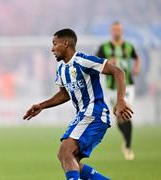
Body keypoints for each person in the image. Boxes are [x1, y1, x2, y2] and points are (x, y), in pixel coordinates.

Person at [23, 28, 133, 180]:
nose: (52, 48)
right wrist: (41, 106)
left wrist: (120, 100)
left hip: (94, 113)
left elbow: (118, 72)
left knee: (64, 153)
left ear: (66, 43)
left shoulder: (84, 60)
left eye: (55, 44)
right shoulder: (61, 68)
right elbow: (64, 94)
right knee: (71, 162)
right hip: (83, 115)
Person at [96, 21, 140, 160]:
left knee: (124, 111)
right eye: (114, 29)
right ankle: (126, 143)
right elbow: (96, 64)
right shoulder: (104, 48)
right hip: (111, 88)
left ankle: (128, 146)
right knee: (119, 118)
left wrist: (136, 67)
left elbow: (136, 57)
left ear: (122, 31)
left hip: (128, 86)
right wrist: (108, 63)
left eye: (119, 29)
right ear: (111, 31)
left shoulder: (128, 46)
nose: (117, 32)